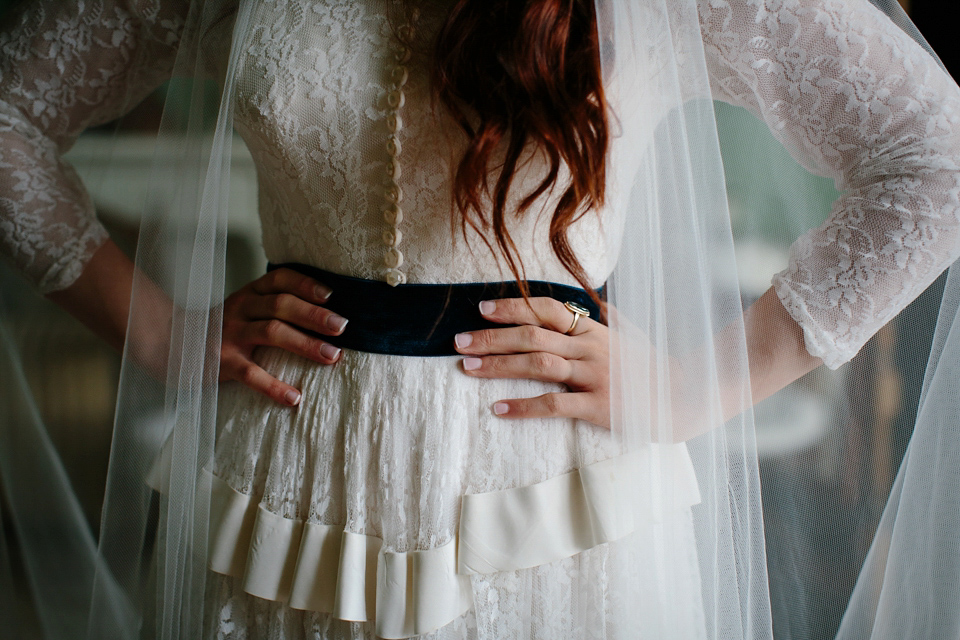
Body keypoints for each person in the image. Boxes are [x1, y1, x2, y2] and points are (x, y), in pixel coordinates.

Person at [2, 0, 959, 638]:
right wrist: (160, 331)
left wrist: (700, 384)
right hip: (287, 483)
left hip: (553, 498)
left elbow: (936, 154)